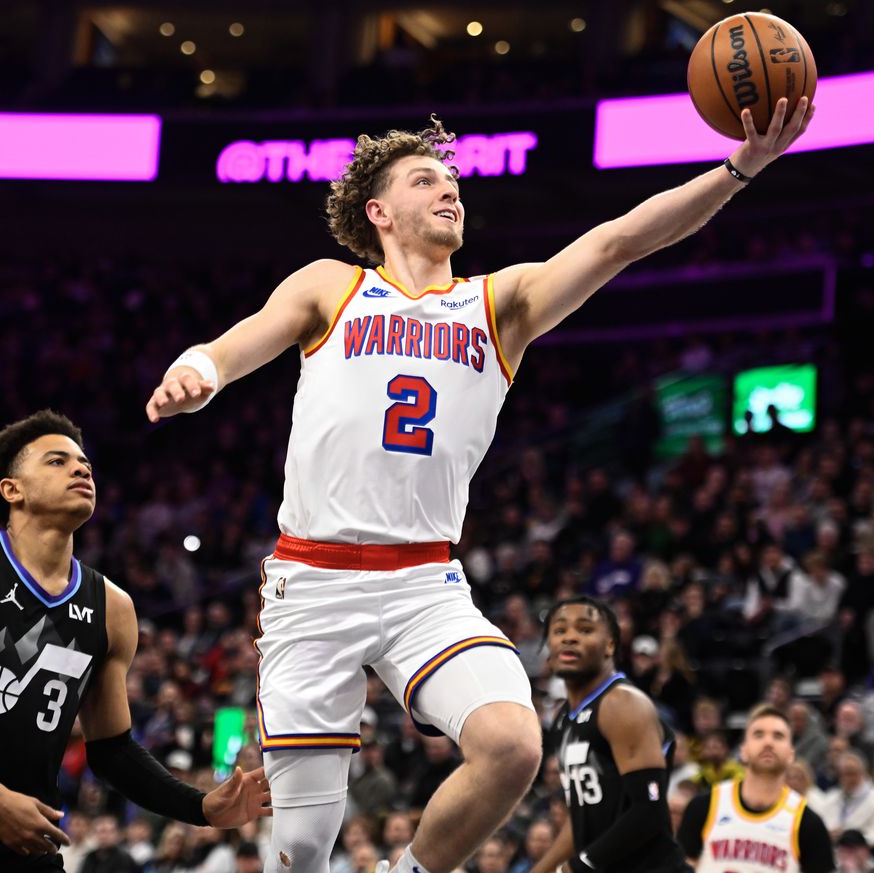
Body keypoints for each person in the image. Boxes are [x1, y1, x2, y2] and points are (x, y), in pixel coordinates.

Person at [145, 100, 814, 873]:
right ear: (379, 210)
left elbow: (621, 240)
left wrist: (739, 170)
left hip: (424, 581)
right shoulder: (333, 287)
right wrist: (197, 372)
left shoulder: (498, 304)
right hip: (314, 580)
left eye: (454, 180)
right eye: (426, 179)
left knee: (513, 744)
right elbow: (231, 346)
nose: (449, 189)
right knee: (300, 845)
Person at [0, 411, 269, 872]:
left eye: (85, 464)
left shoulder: (113, 608)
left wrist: (199, 807)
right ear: (11, 489)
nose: (81, 469)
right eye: (57, 462)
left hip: (26, 838)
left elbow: (112, 749)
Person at [531, 596, 690, 873]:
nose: (569, 638)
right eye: (559, 631)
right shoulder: (563, 720)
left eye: (584, 629)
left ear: (610, 645)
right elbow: (582, 820)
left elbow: (648, 811)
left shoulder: (622, 703)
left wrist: (580, 865)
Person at [677, 705, 835, 873]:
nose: (768, 742)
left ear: (791, 754)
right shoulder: (704, 807)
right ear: (743, 751)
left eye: (778, 736)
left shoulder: (808, 823)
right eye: (758, 735)